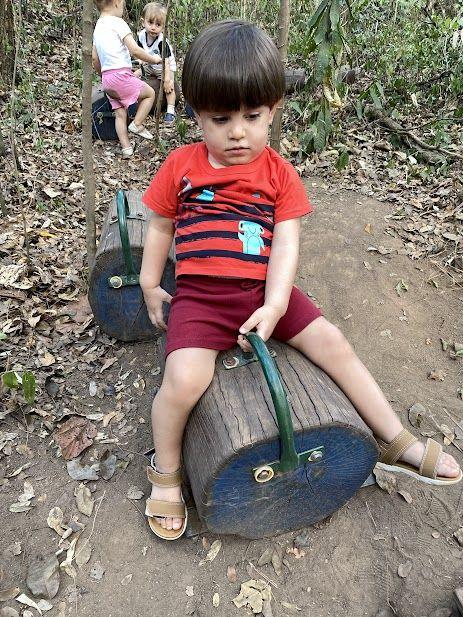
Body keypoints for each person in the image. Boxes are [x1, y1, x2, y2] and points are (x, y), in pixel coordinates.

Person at [140, 20, 462, 540]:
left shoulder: (278, 173)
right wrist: (150, 282)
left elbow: (286, 243)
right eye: (221, 118)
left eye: (252, 116)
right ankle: (167, 470)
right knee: (184, 381)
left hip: (266, 292)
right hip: (200, 300)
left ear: (273, 111)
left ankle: (394, 438)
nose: (238, 132)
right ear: (196, 114)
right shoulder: (183, 166)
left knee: (333, 342)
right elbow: (159, 224)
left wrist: (274, 305)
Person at [92, 0, 161, 158]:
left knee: (120, 114)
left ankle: (126, 148)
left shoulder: (98, 27)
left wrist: (103, 75)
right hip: (120, 75)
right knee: (150, 94)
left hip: (107, 78)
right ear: (116, 2)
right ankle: (137, 124)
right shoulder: (118, 23)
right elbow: (135, 50)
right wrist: (154, 59)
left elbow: (95, 58)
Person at [136, 2, 178, 124]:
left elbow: (166, 61)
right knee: (135, 74)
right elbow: (139, 51)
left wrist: (167, 79)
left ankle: (170, 110)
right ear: (143, 22)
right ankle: (133, 102)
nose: (153, 27)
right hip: (150, 64)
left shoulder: (161, 42)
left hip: (164, 66)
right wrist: (139, 62)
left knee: (169, 87)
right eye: (150, 23)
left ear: (163, 27)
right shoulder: (141, 36)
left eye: (158, 24)